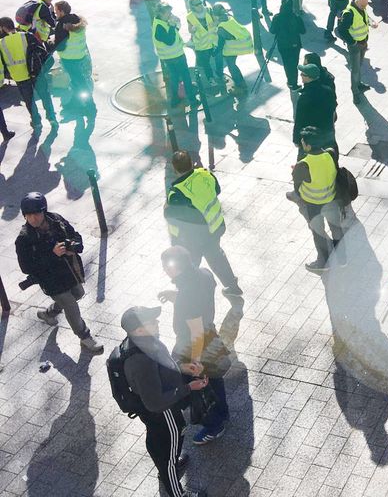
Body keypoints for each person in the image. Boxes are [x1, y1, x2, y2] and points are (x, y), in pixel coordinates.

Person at [118, 306, 209, 497]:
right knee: (168, 449)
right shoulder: (142, 361)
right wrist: (188, 388)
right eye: (151, 321)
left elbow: (162, 367)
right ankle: (176, 490)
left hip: (161, 411)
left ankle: (171, 461)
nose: (157, 322)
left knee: (167, 445)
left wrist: (183, 368)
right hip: (163, 412)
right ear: (139, 330)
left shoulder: (143, 342)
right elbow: (155, 403)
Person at [158, 246, 231, 444]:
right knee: (214, 380)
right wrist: (176, 296)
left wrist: (195, 362)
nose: (165, 269)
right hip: (210, 336)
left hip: (192, 346)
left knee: (199, 386)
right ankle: (222, 413)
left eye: (167, 266)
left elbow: (195, 330)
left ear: (177, 267)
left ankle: (213, 425)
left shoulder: (187, 295)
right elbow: (200, 298)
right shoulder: (204, 274)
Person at [16, 192, 103, 354]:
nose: (33, 218)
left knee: (78, 293)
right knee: (71, 305)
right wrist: (52, 254)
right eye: (29, 215)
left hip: (69, 272)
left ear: (44, 211)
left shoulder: (56, 220)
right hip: (50, 280)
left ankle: (49, 313)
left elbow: (75, 236)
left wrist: (73, 246)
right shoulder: (24, 239)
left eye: (37, 214)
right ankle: (85, 337)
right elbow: (26, 267)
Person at [164, 150, 242, 298]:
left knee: (189, 266)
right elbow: (217, 190)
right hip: (215, 227)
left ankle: (186, 294)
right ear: (191, 163)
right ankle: (232, 286)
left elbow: (171, 215)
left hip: (194, 238)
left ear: (174, 169)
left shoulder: (177, 193)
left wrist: (166, 206)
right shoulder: (206, 174)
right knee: (216, 257)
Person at [290, 126, 343, 273]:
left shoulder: (303, 164)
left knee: (318, 232)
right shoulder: (331, 154)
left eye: (302, 142)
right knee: (336, 228)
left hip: (314, 204)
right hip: (331, 199)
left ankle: (323, 262)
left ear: (307, 145)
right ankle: (343, 258)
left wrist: (295, 172)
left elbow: (297, 188)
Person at [336, 0, 374, 103]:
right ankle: (355, 92)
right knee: (355, 69)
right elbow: (342, 30)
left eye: (365, 6)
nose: (364, 7)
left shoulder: (360, 8)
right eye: (363, 5)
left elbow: (364, 19)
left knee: (359, 65)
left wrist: (371, 23)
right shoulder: (349, 13)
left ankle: (359, 84)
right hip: (355, 45)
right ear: (357, 2)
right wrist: (352, 42)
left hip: (363, 42)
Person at [293, 63, 337, 152]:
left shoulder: (305, 96)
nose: (300, 75)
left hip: (310, 138)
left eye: (303, 74)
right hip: (328, 133)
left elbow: (299, 120)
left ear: (308, 77)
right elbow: (333, 108)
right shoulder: (328, 90)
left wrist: (296, 139)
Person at [269, 0, 306, 90]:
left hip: (283, 45)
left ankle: (290, 82)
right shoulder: (296, 17)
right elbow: (303, 31)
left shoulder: (277, 17)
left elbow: (272, 31)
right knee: (294, 64)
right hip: (295, 45)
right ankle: (294, 83)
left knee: (287, 64)